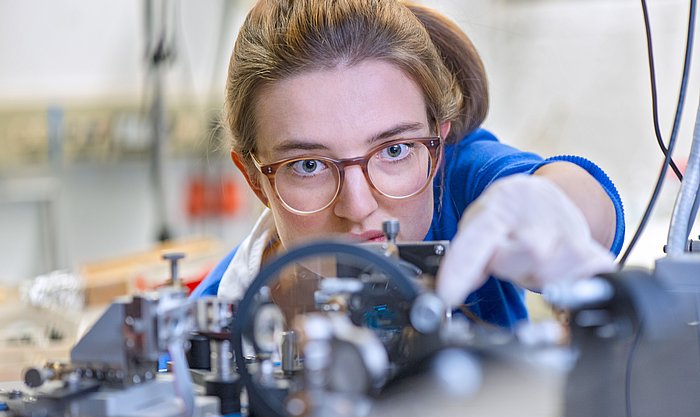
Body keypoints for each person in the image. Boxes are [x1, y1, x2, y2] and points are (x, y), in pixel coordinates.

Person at [190, 0, 624, 329]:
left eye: (394, 151)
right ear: (254, 179)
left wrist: (558, 209)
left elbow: (584, 201)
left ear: (437, 148)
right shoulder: (217, 313)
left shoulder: (458, 186)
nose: (357, 206)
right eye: (309, 165)